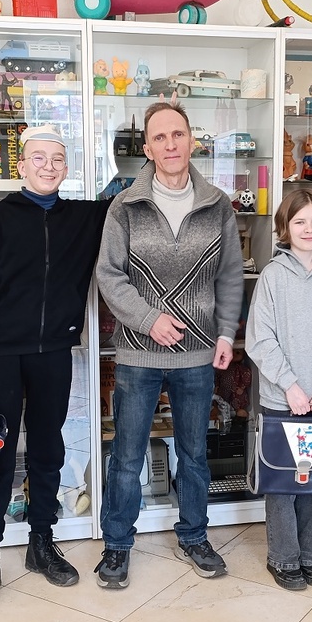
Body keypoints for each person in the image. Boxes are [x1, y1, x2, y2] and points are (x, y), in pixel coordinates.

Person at [0, 125, 110, 616]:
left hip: (54, 353)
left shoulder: (83, 217)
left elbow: (131, 195)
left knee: (49, 449)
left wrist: (155, 149)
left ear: (67, 168)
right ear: (21, 166)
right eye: (38, 158)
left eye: (57, 159)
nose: (48, 166)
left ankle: (41, 541)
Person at [94, 101, 243, 588]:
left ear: (191, 140)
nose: (170, 144)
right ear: (148, 148)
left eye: (178, 134)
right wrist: (149, 319)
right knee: (127, 456)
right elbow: (109, 276)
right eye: (160, 137)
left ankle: (195, 536)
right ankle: (117, 545)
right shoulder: (124, 206)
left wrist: (225, 332)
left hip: (198, 355)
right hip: (138, 354)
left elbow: (229, 276)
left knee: (194, 454)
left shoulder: (218, 204)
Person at [245, 189, 312, 590]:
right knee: (284, 485)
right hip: (282, 399)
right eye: (299, 221)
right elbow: (260, 339)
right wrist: (289, 386)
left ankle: (310, 554)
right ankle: (284, 557)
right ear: (285, 228)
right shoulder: (273, 276)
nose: (309, 229)